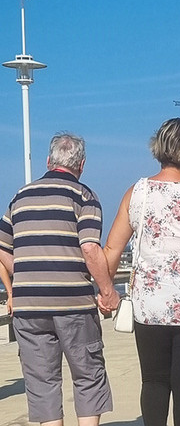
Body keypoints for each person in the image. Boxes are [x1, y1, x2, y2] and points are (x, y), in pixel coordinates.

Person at [103, 118, 180, 426]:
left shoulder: (136, 192)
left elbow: (112, 250)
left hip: (149, 305)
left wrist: (105, 292)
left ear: (158, 147)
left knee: (153, 381)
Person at [0, 133, 119, 426]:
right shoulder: (84, 197)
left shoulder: (20, 196)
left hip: (29, 307)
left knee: (42, 381)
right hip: (73, 304)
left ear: (48, 161)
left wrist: (27, 274)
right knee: (88, 374)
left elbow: (2, 247)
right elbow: (90, 247)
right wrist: (107, 291)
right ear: (82, 165)